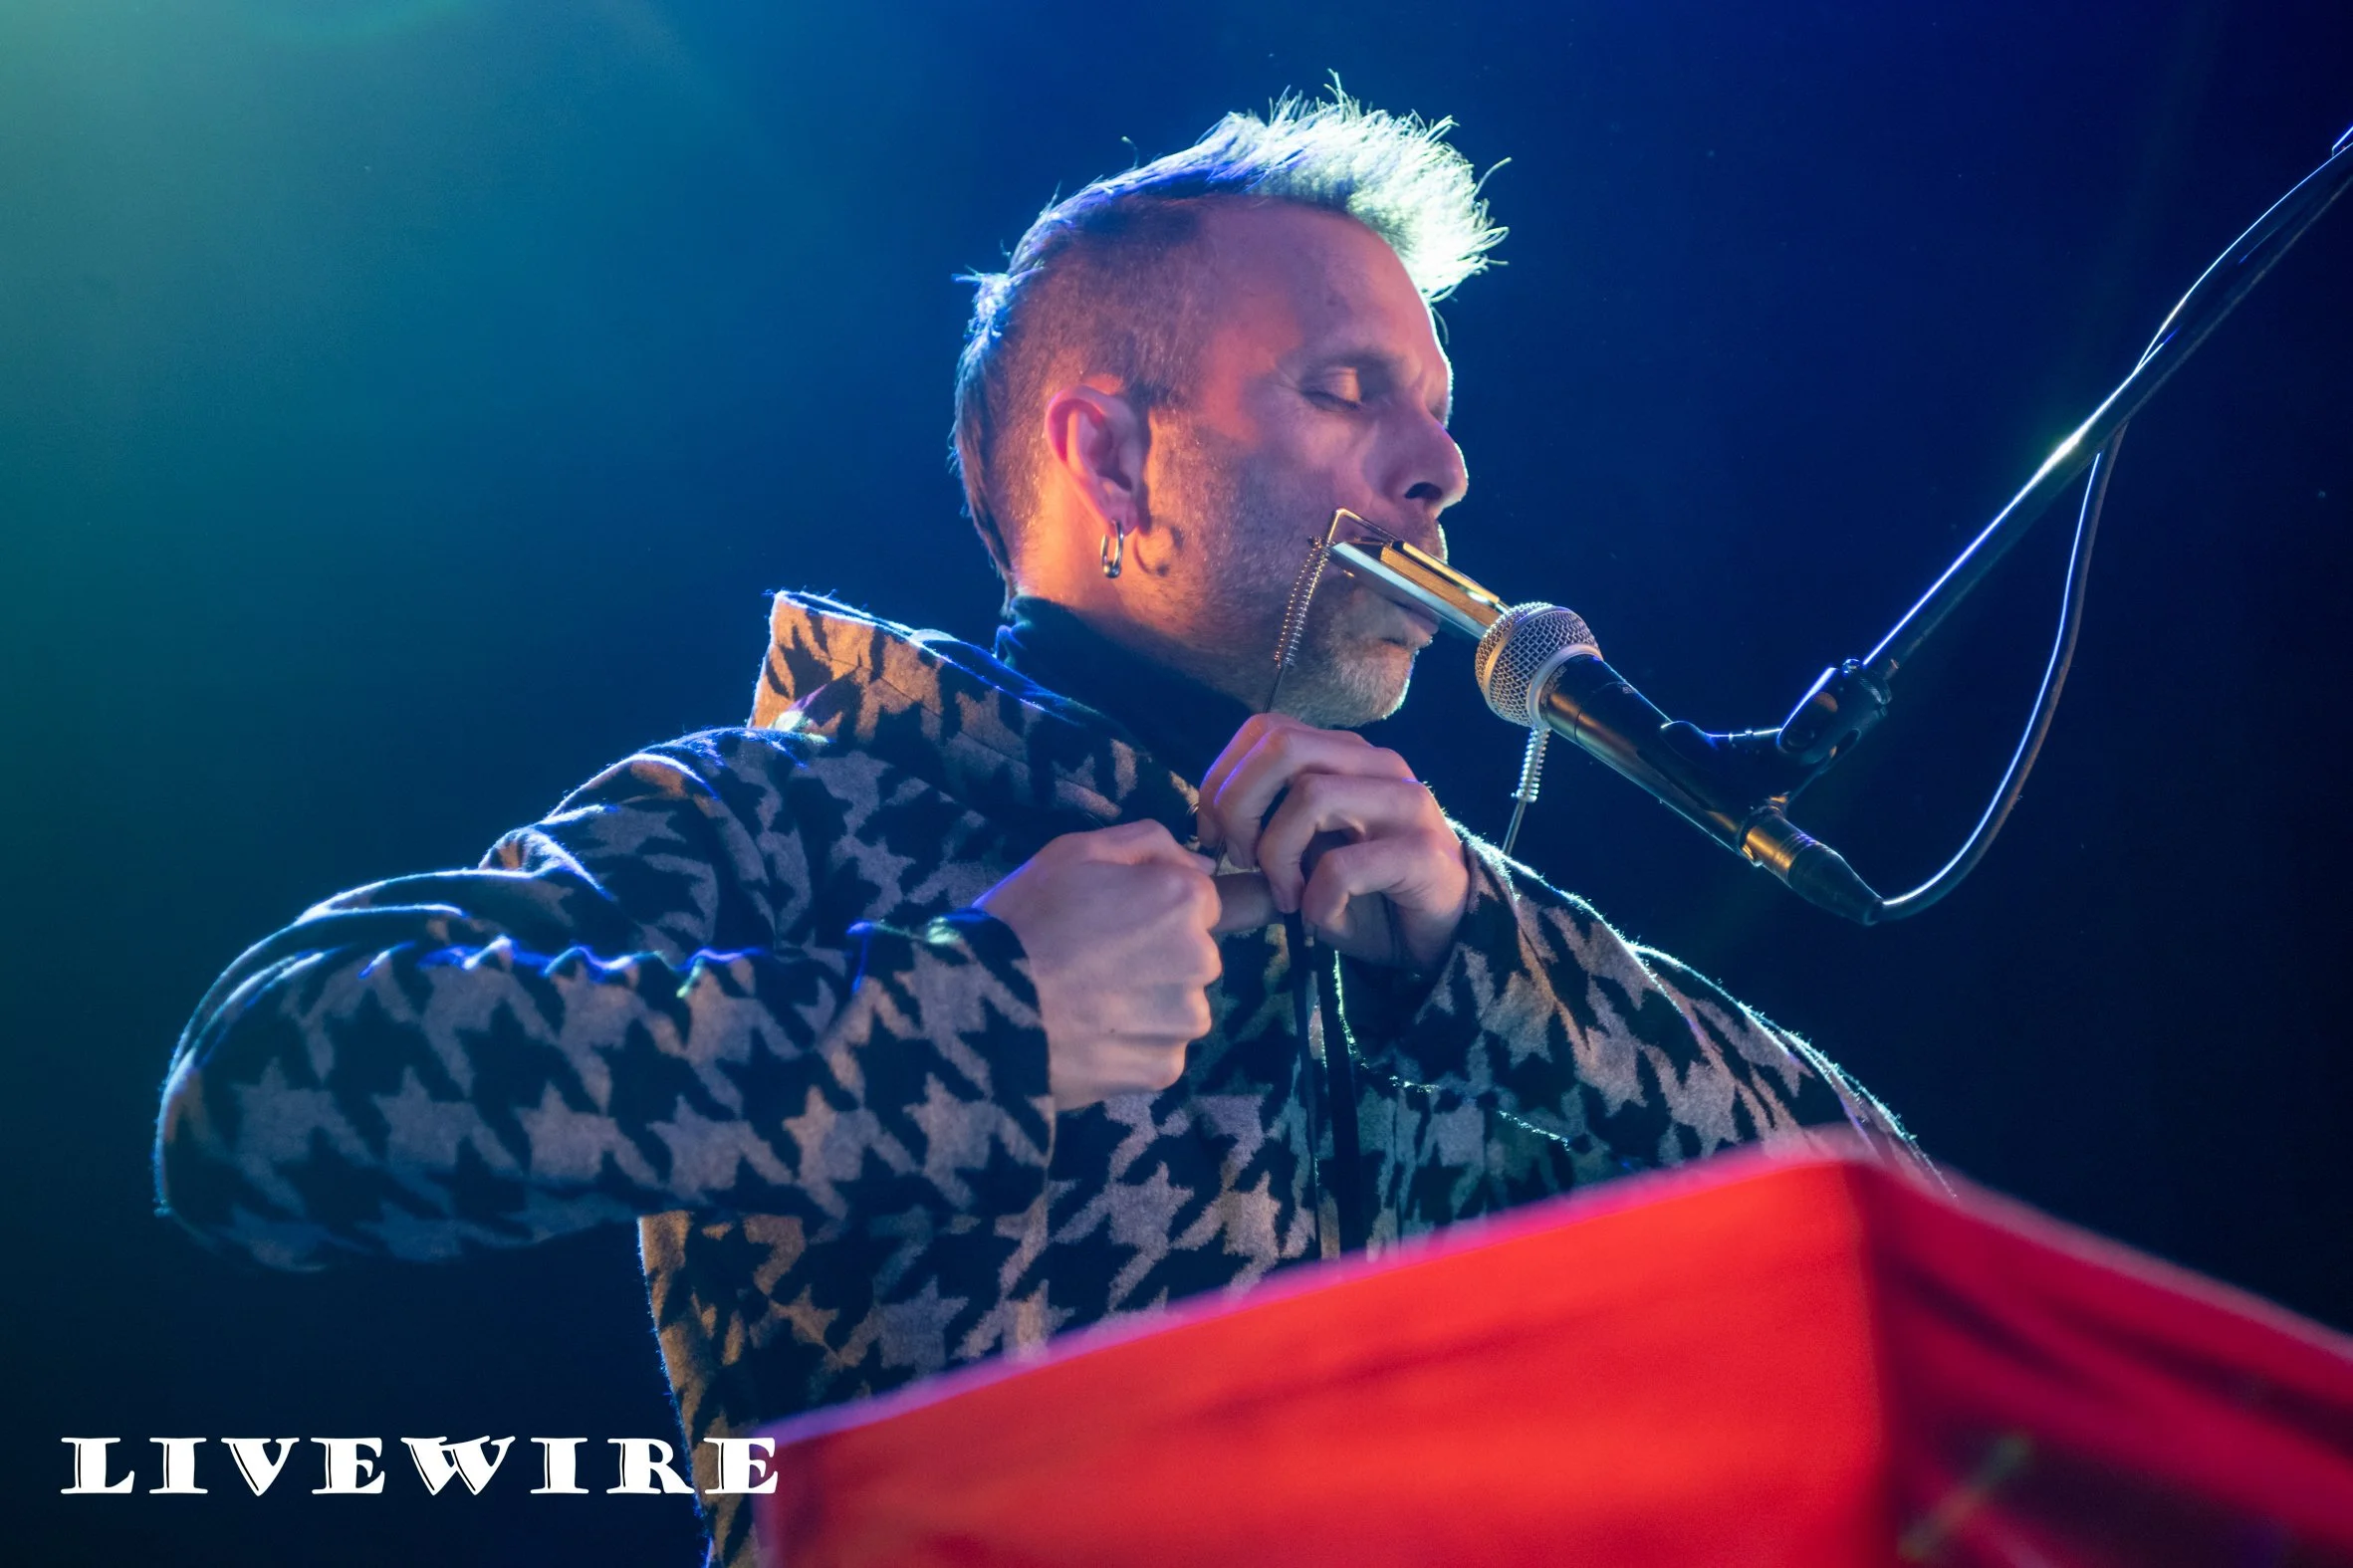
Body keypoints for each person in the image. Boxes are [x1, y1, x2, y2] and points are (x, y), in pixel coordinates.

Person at [156, 94, 1922, 1566]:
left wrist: (1490, 951)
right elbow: (257, 1092)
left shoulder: (1413, 918)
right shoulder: (803, 807)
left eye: (1437, 411)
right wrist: (979, 1016)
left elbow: (1906, 1259)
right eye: (1344, 390)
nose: (1440, 470)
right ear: (1115, 460)